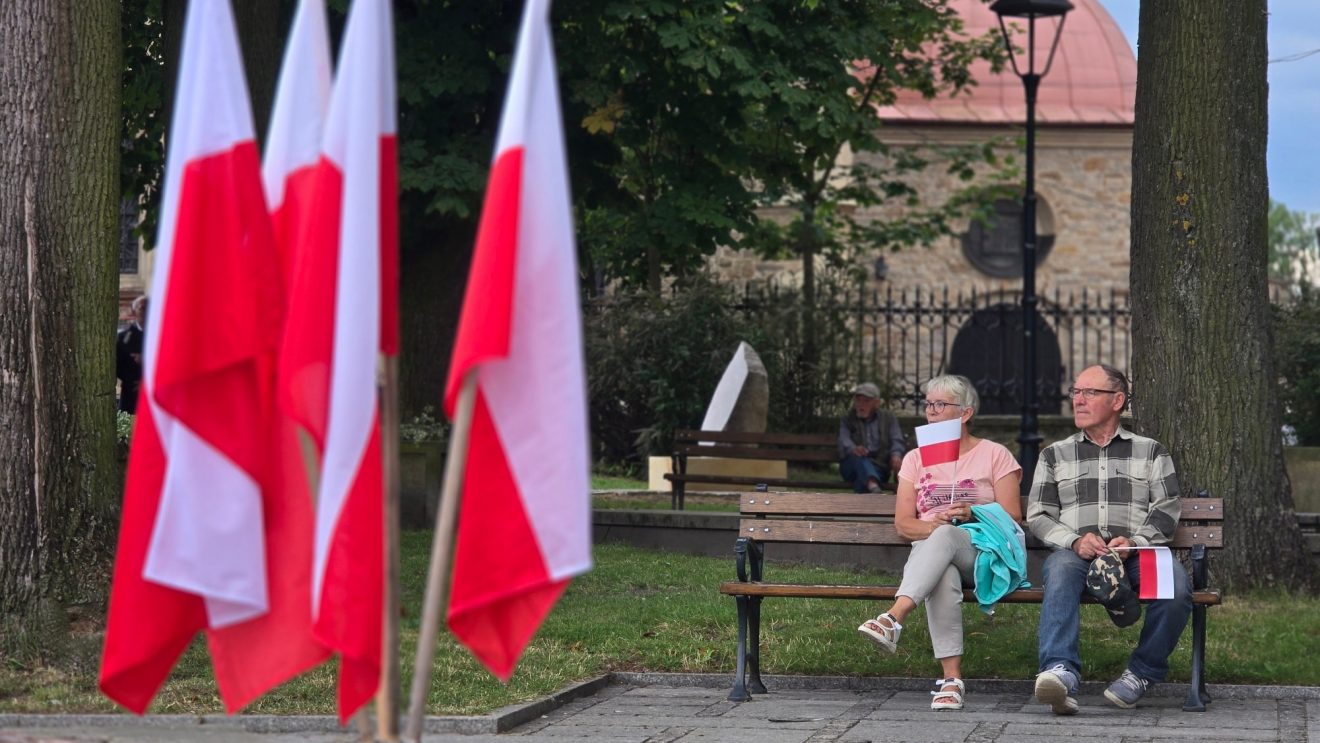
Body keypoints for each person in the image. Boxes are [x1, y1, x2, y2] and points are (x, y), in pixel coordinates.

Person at [1028, 364, 1191, 715]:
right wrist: (1074, 541)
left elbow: (1167, 507)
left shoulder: (1150, 451)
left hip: (1134, 552)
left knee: (1176, 589)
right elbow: (1038, 514)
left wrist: (1136, 540)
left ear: (1117, 400)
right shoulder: (1054, 454)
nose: (1078, 400)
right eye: (1076, 392)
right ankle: (1060, 671)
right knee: (1058, 573)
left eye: (1089, 393)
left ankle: (1141, 673)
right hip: (1076, 553)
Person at [856, 374, 1022, 710]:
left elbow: (1013, 517)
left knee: (945, 535)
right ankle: (952, 680)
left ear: (965, 413)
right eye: (928, 404)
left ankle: (894, 616)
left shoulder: (995, 454)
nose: (930, 411)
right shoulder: (916, 459)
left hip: (983, 552)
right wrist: (935, 523)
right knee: (942, 567)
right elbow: (904, 524)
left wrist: (973, 512)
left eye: (940, 404)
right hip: (934, 556)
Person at [838, 382, 905, 493]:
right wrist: (853, 449)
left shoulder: (888, 418)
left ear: (876, 403)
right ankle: (872, 485)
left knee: (861, 481)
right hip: (851, 466)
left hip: (879, 468)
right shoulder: (847, 419)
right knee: (859, 459)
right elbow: (844, 439)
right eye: (858, 400)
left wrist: (896, 456)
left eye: (866, 401)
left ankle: (872, 486)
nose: (861, 404)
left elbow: (896, 439)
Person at [116, 295, 147, 414]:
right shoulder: (124, 337)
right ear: (134, 312)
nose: (146, 312)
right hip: (132, 394)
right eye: (142, 308)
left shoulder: (163, 335)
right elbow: (118, 365)